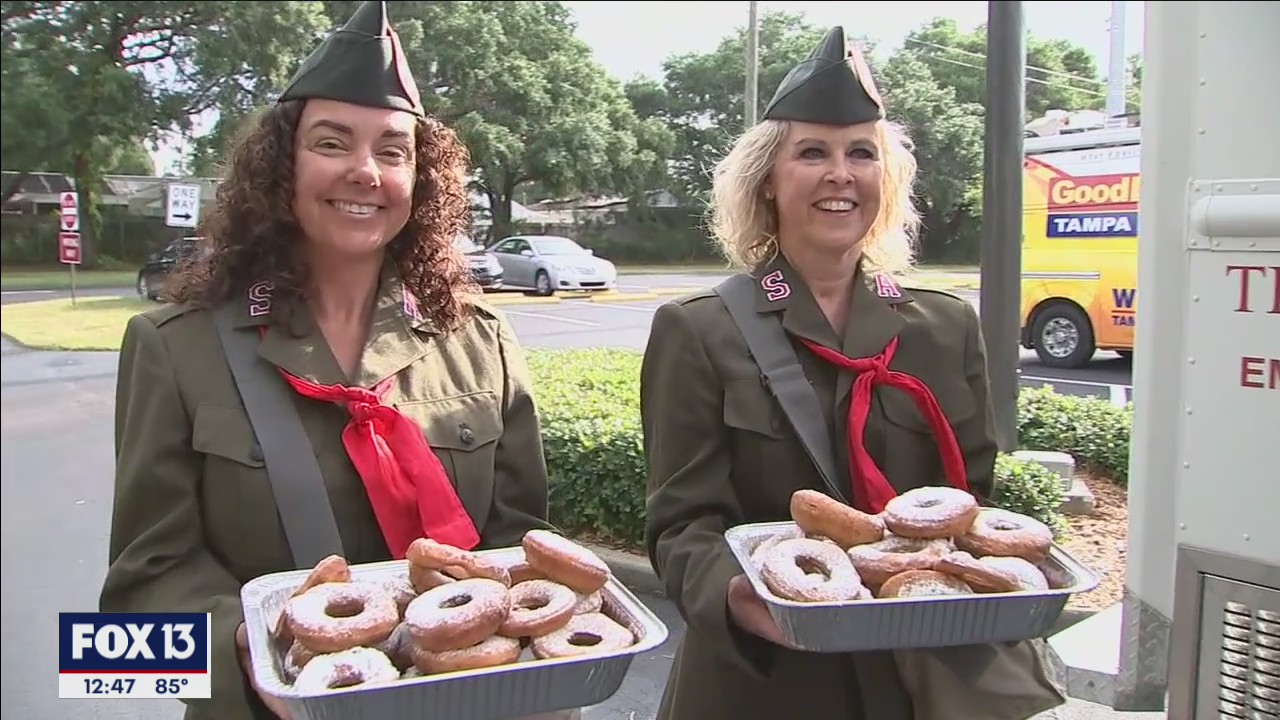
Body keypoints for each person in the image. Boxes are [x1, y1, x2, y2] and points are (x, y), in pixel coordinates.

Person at [98, 3, 578, 720]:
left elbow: (514, 550)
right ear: (280, 167)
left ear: (421, 182)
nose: (364, 171)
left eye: (392, 151)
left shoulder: (482, 341)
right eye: (332, 143)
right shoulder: (174, 346)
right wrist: (252, 659)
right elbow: (129, 617)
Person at [639, 26, 1067, 720]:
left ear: (885, 182)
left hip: (919, 677)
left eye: (861, 154)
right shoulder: (700, 331)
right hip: (768, 683)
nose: (841, 173)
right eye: (812, 152)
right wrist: (745, 600)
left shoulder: (945, 327)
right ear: (768, 183)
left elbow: (970, 505)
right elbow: (681, 526)